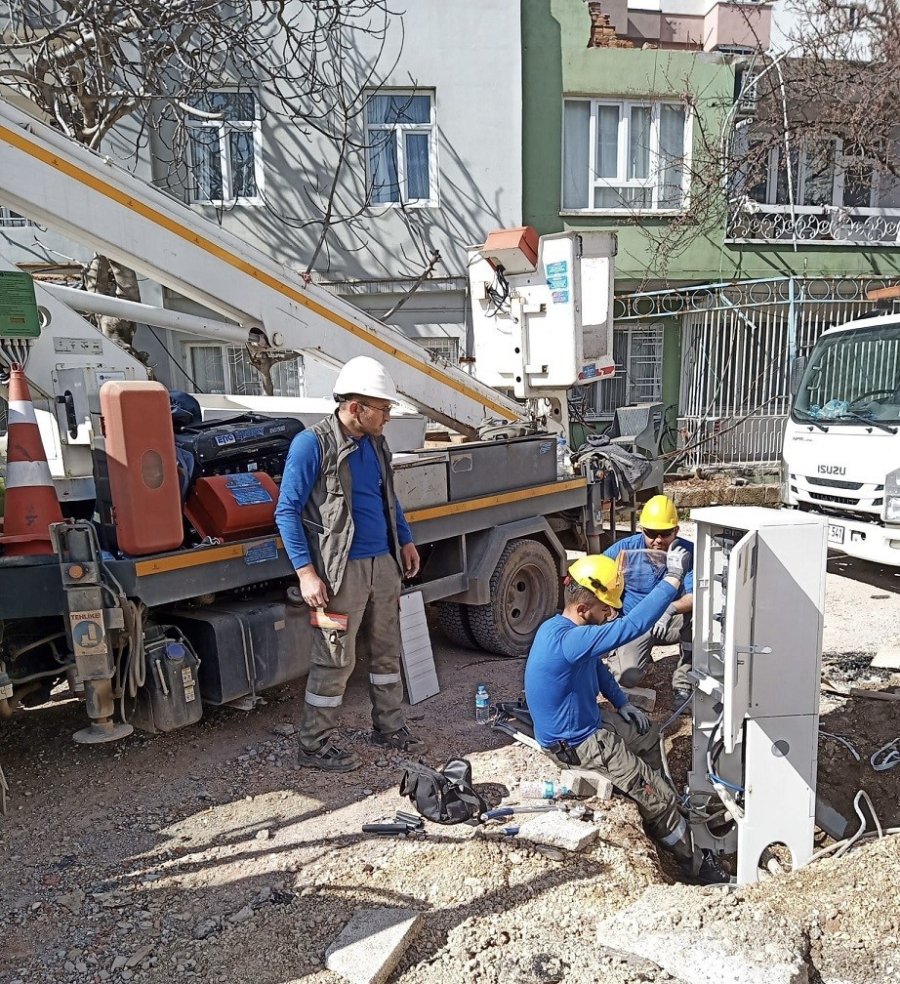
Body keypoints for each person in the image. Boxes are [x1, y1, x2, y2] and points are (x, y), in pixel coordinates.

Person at [524, 550, 727, 884]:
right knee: (654, 797)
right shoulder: (570, 639)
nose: (611, 614)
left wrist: (622, 703)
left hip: (591, 723)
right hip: (580, 745)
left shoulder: (563, 630)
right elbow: (633, 625)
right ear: (583, 608)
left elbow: (598, 669)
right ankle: (695, 863)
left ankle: (671, 801)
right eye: (606, 609)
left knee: (647, 735)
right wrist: (672, 580)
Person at [275, 356, 425, 772]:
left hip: (383, 566)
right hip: (339, 575)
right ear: (355, 407)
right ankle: (313, 743)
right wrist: (306, 572)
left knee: (386, 651)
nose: (388, 418)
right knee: (334, 657)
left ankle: (389, 727)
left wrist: (406, 540)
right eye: (384, 408)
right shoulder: (312, 444)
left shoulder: (376, 443)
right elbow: (286, 510)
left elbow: (388, 498)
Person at [603, 494, 694, 707]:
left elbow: (696, 596)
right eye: (652, 533)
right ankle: (637, 657)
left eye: (665, 533)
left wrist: (669, 609)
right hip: (636, 623)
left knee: (702, 619)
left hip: (670, 622)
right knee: (627, 678)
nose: (658, 540)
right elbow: (595, 578)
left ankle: (683, 681)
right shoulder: (624, 550)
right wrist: (611, 614)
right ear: (642, 530)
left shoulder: (687, 552)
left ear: (676, 531)